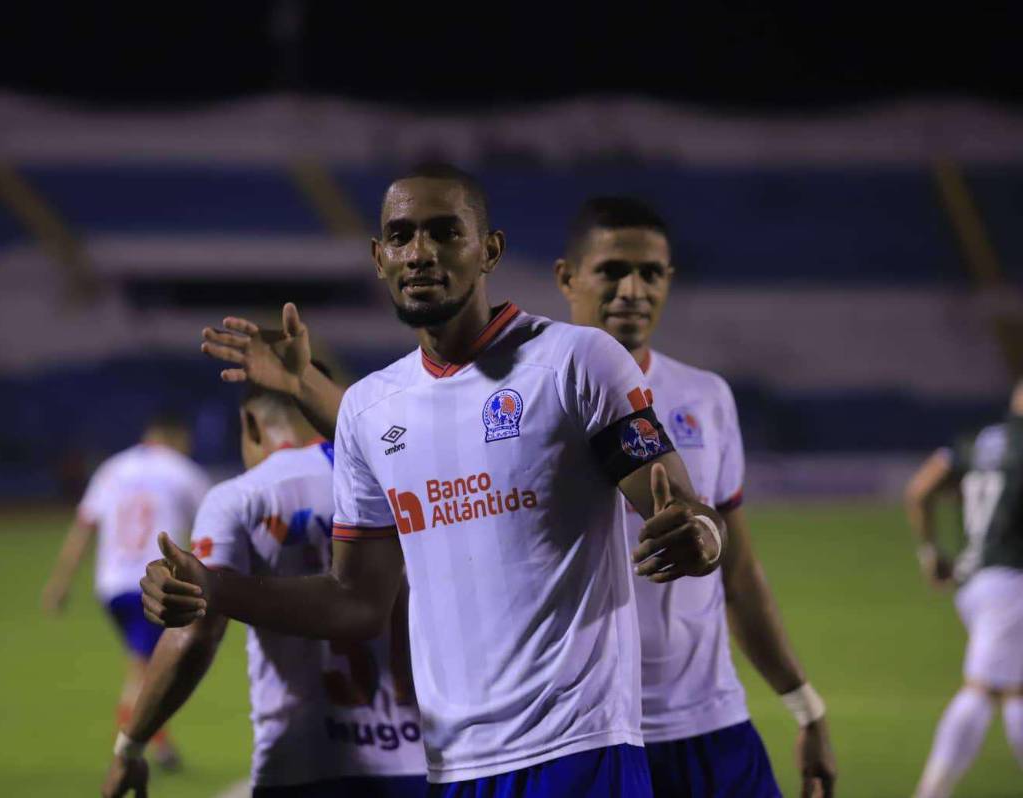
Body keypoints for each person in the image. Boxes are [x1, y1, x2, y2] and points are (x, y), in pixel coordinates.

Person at [163, 163, 727, 795]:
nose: (421, 252)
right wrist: (215, 587)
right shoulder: (369, 409)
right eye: (402, 237)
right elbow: (355, 602)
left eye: (444, 232)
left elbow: (675, 501)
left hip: (580, 752)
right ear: (379, 258)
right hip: (455, 769)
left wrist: (701, 534)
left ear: (489, 250)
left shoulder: (578, 361)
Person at [552, 196, 836, 797]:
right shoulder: (525, 403)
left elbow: (738, 573)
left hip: (710, 724)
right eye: (611, 270)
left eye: (651, 273)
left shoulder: (706, 396)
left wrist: (806, 706)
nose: (633, 289)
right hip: (587, 733)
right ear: (566, 277)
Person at [102, 374, 427, 798]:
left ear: (251, 425)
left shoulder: (241, 497)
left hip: (300, 764)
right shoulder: (400, 479)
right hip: (423, 759)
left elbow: (195, 633)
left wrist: (131, 747)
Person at [42, 411, 210, 770]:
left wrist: (60, 582)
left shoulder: (112, 470)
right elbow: (212, 525)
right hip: (154, 585)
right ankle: (131, 752)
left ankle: (159, 747)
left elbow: (84, 525)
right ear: (177, 437)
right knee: (146, 673)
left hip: (112, 587)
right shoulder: (183, 471)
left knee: (144, 666)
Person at [905, 379, 1023, 798]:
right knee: (985, 688)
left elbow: (921, 489)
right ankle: (932, 790)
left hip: (974, 581)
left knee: (1012, 688)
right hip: (1013, 580)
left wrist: (930, 553)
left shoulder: (978, 440)